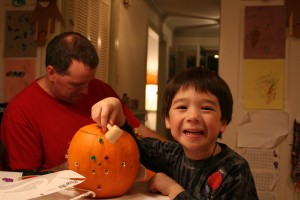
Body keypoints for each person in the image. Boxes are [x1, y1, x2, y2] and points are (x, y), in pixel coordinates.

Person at [0, 31, 165, 174]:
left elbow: (138, 131)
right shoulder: (20, 112)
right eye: (76, 85)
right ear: (51, 73)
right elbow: (25, 179)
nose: (86, 91)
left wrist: (182, 154)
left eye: (89, 82)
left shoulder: (101, 90)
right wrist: (73, 165)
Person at [92, 67, 259, 199]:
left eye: (206, 108)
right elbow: (135, 149)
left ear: (223, 122)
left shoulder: (235, 170)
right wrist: (120, 118)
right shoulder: (172, 154)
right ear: (167, 120)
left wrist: (172, 189)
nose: (193, 116)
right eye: (182, 107)